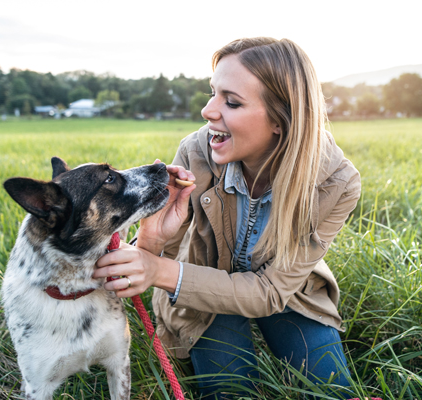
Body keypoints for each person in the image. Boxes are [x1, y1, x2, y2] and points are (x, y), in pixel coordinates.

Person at [94, 37, 361, 399]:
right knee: (230, 392)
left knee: (334, 391)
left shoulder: (336, 183)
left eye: (231, 102)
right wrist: (152, 241)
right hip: (199, 287)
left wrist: (158, 271)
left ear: (281, 121)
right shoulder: (195, 152)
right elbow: (151, 263)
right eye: (213, 93)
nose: (208, 111)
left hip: (288, 294)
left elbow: (269, 292)